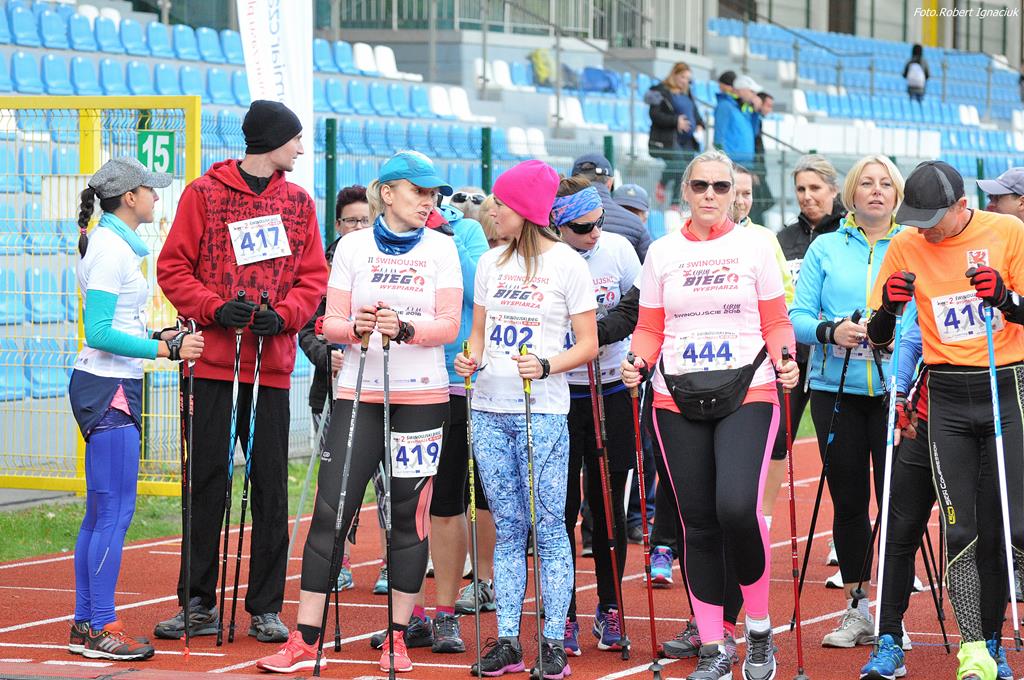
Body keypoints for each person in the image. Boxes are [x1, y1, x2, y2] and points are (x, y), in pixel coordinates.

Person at [257, 150, 462, 674]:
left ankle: (398, 637)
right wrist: (357, 328)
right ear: (388, 193)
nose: (428, 201)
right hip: (357, 394)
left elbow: (449, 325)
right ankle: (305, 639)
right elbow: (327, 324)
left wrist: (406, 329)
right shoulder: (353, 246)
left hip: (422, 396)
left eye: (433, 194)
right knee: (331, 512)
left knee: (409, 517)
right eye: (418, 191)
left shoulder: (442, 247)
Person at [154, 100, 327, 643]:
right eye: (295, 139)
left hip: (269, 367)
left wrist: (287, 315)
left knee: (270, 487)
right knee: (206, 481)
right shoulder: (203, 194)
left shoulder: (298, 203)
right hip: (212, 365)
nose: (301, 149)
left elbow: (313, 277)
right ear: (272, 140)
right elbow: (172, 267)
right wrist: (212, 307)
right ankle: (197, 601)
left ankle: (266, 607)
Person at [621, 149, 798, 680]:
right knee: (696, 523)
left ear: (734, 195)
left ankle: (759, 630)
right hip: (675, 396)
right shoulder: (662, 253)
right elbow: (650, 327)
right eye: (700, 186)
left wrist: (785, 358)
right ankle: (715, 646)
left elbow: (776, 320)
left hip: (748, 389)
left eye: (721, 187)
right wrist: (637, 360)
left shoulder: (755, 247)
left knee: (737, 508)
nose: (710, 195)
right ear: (685, 191)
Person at [867, 160, 1024, 680]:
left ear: (962, 206)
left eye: (933, 220)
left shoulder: (1007, 232)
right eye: (916, 220)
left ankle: (995, 641)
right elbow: (881, 337)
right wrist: (888, 310)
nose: (924, 230)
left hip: (1006, 387)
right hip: (948, 395)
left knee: (1008, 528)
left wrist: (1006, 300)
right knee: (960, 531)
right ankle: (975, 650)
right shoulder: (905, 245)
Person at [454, 159, 598, 679]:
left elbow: (588, 343)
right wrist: (469, 358)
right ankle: (509, 640)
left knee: (550, 528)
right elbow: (478, 334)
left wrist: (547, 364)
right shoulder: (490, 263)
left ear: (526, 210)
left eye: (501, 203)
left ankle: (553, 641)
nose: (492, 211)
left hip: (543, 411)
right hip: (489, 408)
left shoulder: (567, 264)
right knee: (509, 528)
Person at [68, 157, 204, 661]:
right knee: (114, 513)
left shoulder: (111, 244)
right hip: (108, 388)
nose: (156, 197)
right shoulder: (110, 250)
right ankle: (101, 626)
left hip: (106, 383)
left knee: (101, 513)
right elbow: (100, 332)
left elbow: (117, 324)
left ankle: (87, 623)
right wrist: (164, 350)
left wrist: (158, 335)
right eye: (151, 189)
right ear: (129, 197)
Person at [859, 308, 1015, 680]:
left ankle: (990, 643)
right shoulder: (933, 283)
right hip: (928, 421)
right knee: (900, 529)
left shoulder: (1006, 280)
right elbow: (911, 341)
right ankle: (889, 639)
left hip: (987, 427)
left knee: (988, 536)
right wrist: (898, 391)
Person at [789, 155, 905, 648]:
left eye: (886, 184)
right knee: (851, 501)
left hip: (899, 394)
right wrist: (831, 330)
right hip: (836, 392)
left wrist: (897, 337)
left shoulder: (913, 244)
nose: (876, 190)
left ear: (898, 195)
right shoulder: (826, 247)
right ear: (852, 194)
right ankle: (858, 609)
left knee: (900, 506)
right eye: (867, 183)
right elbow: (797, 316)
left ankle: (893, 617)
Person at [554, 176, 641, 655]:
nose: (595, 233)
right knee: (562, 507)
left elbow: (637, 307)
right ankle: (563, 612)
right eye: (584, 227)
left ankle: (610, 606)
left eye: (599, 222)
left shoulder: (619, 251)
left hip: (610, 390)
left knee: (608, 508)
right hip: (559, 395)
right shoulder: (548, 258)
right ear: (559, 226)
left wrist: (598, 334)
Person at [298, 185, 371, 593]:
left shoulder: (385, 261)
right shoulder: (324, 268)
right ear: (338, 224)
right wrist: (327, 355)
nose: (358, 227)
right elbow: (307, 329)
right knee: (336, 482)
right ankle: (336, 562)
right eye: (351, 220)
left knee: (386, 481)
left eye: (365, 220)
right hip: (330, 396)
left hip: (379, 392)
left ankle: (391, 564)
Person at [770, 154, 846, 543]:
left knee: (837, 450)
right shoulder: (783, 240)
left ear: (834, 189)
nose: (807, 196)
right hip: (791, 359)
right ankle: (763, 524)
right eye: (800, 188)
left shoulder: (848, 234)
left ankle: (842, 533)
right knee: (775, 440)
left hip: (836, 359)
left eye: (815, 188)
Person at [645, 62, 705, 207]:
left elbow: (695, 113)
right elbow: (655, 114)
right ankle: (662, 183)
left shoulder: (687, 93)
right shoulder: (661, 91)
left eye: (688, 79)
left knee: (687, 171)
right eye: (683, 77)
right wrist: (675, 120)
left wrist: (699, 124)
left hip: (688, 141)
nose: (685, 81)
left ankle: (675, 205)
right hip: (669, 140)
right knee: (679, 167)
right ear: (674, 74)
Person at [571, 153, 651, 261]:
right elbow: (650, 264)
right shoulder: (636, 222)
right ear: (610, 183)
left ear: (570, 183)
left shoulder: (558, 217)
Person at [713, 74, 759, 166]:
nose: (755, 95)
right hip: (731, 165)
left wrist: (755, 113)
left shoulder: (744, 109)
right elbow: (718, 138)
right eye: (752, 91)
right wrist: (724, 162)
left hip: (746, 164)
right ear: (741, 91)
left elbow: (754, 133)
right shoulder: (725, 106)